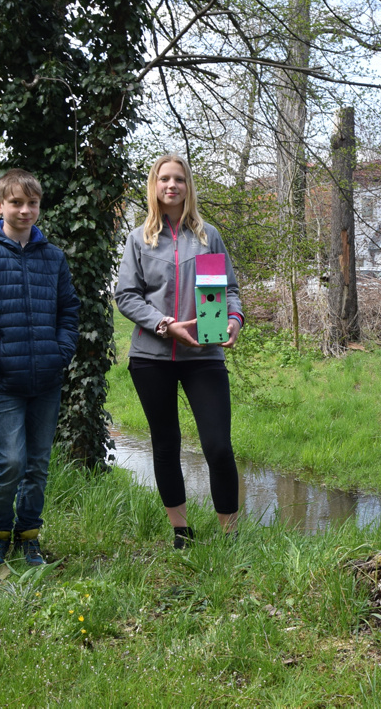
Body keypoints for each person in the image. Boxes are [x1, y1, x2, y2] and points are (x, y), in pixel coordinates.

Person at [114, 153, 244, 549]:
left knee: (218, 446)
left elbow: (230, 291)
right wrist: (165, 325)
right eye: (164, 179)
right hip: (152, 357)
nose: (172, 185)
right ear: (154, 186)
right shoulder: (139, 239)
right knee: (166, 443)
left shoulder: (208, 236)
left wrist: (234, 320)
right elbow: (125, 295)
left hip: (203, 356)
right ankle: (181, 532)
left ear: (189, 187)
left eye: (179, 179)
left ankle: (230, 536)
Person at [0, 169, 80, 568]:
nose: (25, 210)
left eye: (32, 203)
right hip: (4, 379)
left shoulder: (53, 258)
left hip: (46, 378)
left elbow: (69, 312)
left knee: (38, 463)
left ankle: (28, 535)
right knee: (11, 460)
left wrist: (60, 352)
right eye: (16, 203)